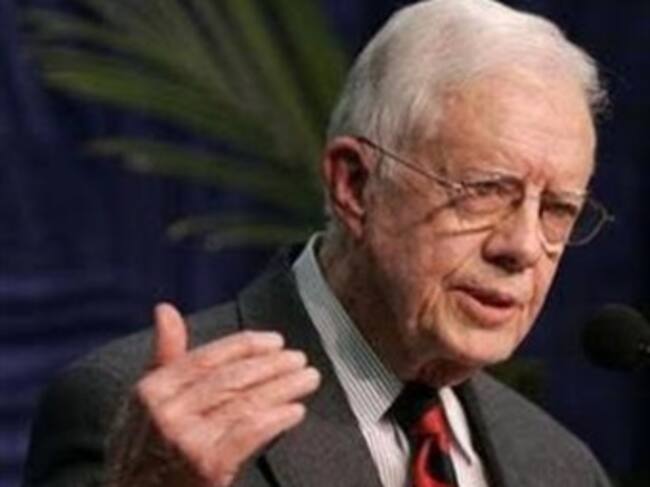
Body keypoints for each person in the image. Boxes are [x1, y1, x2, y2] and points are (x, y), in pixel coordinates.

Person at [23, 0, 615, 486]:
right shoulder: (144, 422)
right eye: (484, 191)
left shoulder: (560, 467)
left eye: (558, 210)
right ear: (354, 185)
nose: (523, 247)